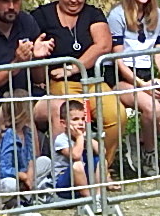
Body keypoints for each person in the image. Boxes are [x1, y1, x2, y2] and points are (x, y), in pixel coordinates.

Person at [32, 0, 127, 169]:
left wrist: (73, 68)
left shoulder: (93, 14)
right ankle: (74, 170)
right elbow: (36, 51)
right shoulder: (41, 16)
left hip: (92, 80)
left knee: (117, 115)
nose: (75, 1)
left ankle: (102, 168)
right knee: (75, 119)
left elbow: (103, 45)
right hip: (60, 82)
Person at [108, 0, 160, 176]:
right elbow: (118, 60)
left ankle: (139, 139)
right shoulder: (117, 14)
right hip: (120, 76)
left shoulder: (159, 15)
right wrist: (141, 84)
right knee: (152, 106)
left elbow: (159, 53)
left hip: (145, 74)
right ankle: (149, 154)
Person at [0, 97, 51, 216]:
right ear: (24, 112)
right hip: (1, 180)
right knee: (10, 184)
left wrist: (30, 174)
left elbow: (31, 157)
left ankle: (21, 201)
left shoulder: (27, 132)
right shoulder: (8, 135)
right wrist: (23, 176)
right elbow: (4, 169)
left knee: (45, 162)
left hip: (20, 176)